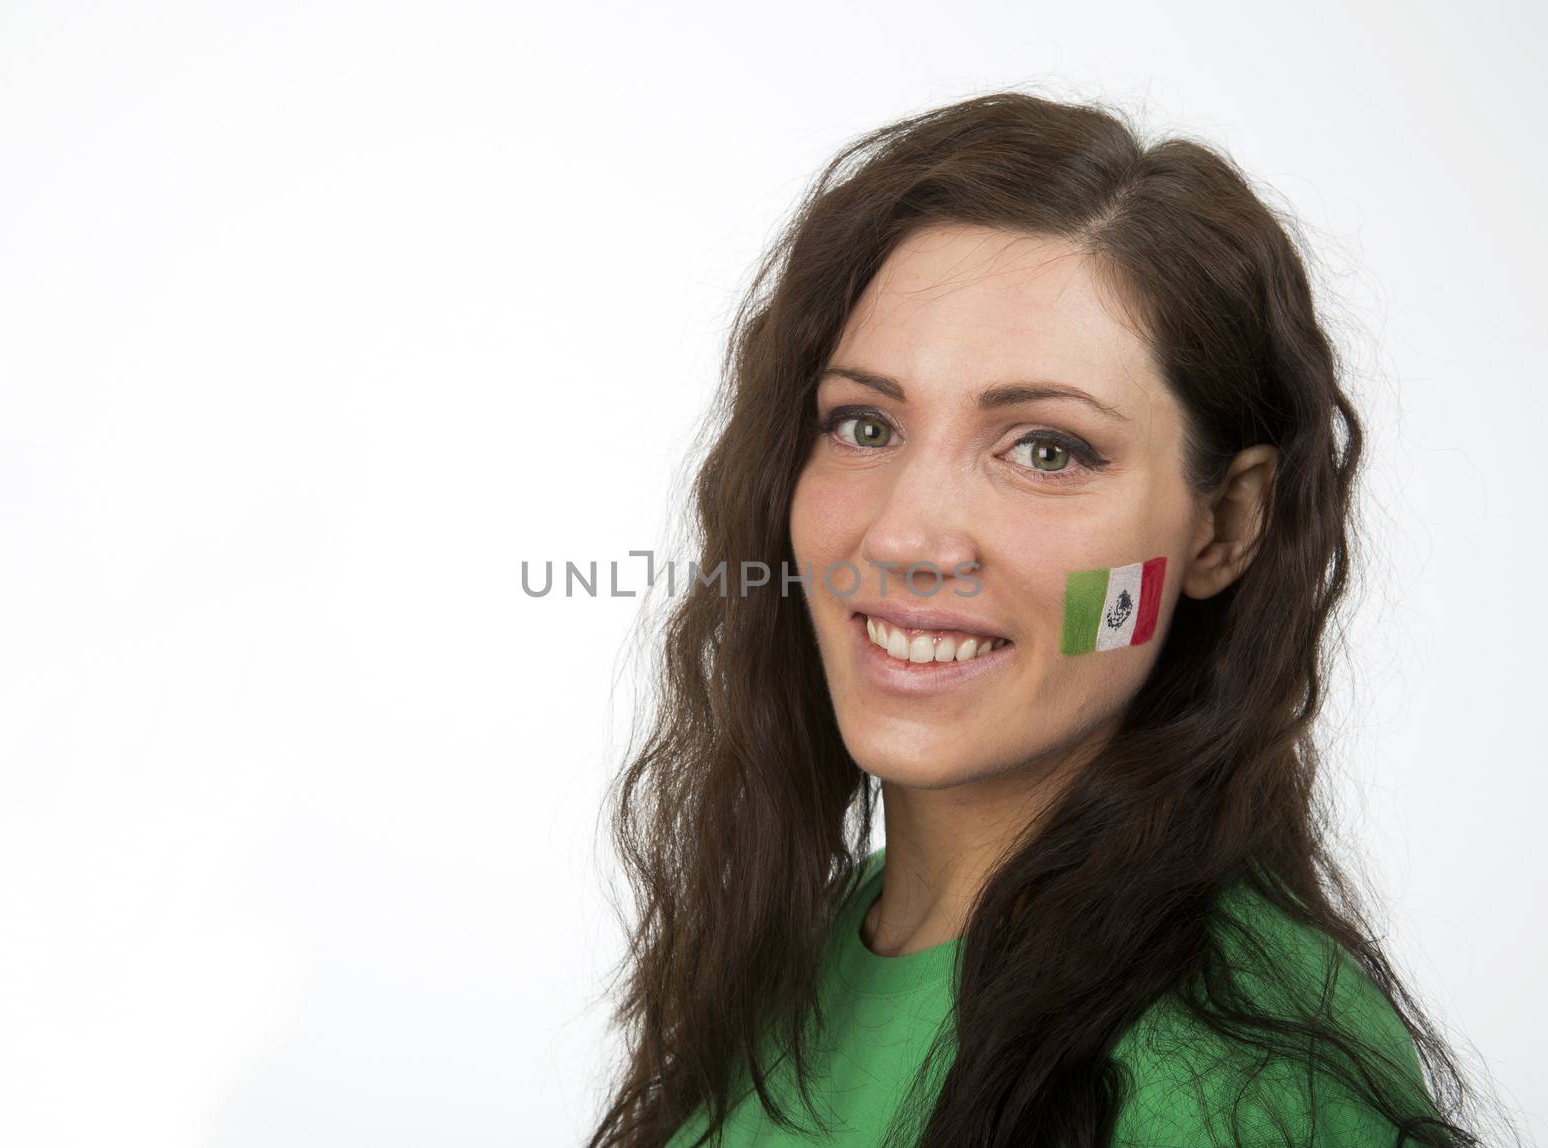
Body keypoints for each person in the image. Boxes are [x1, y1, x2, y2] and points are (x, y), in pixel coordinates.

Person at [585, 89, 1501, 1147]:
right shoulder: (826, 942)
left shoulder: (1228, 1084)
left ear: (1223, 526)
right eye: (865, 423)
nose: (904, 537)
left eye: (1046, 449)